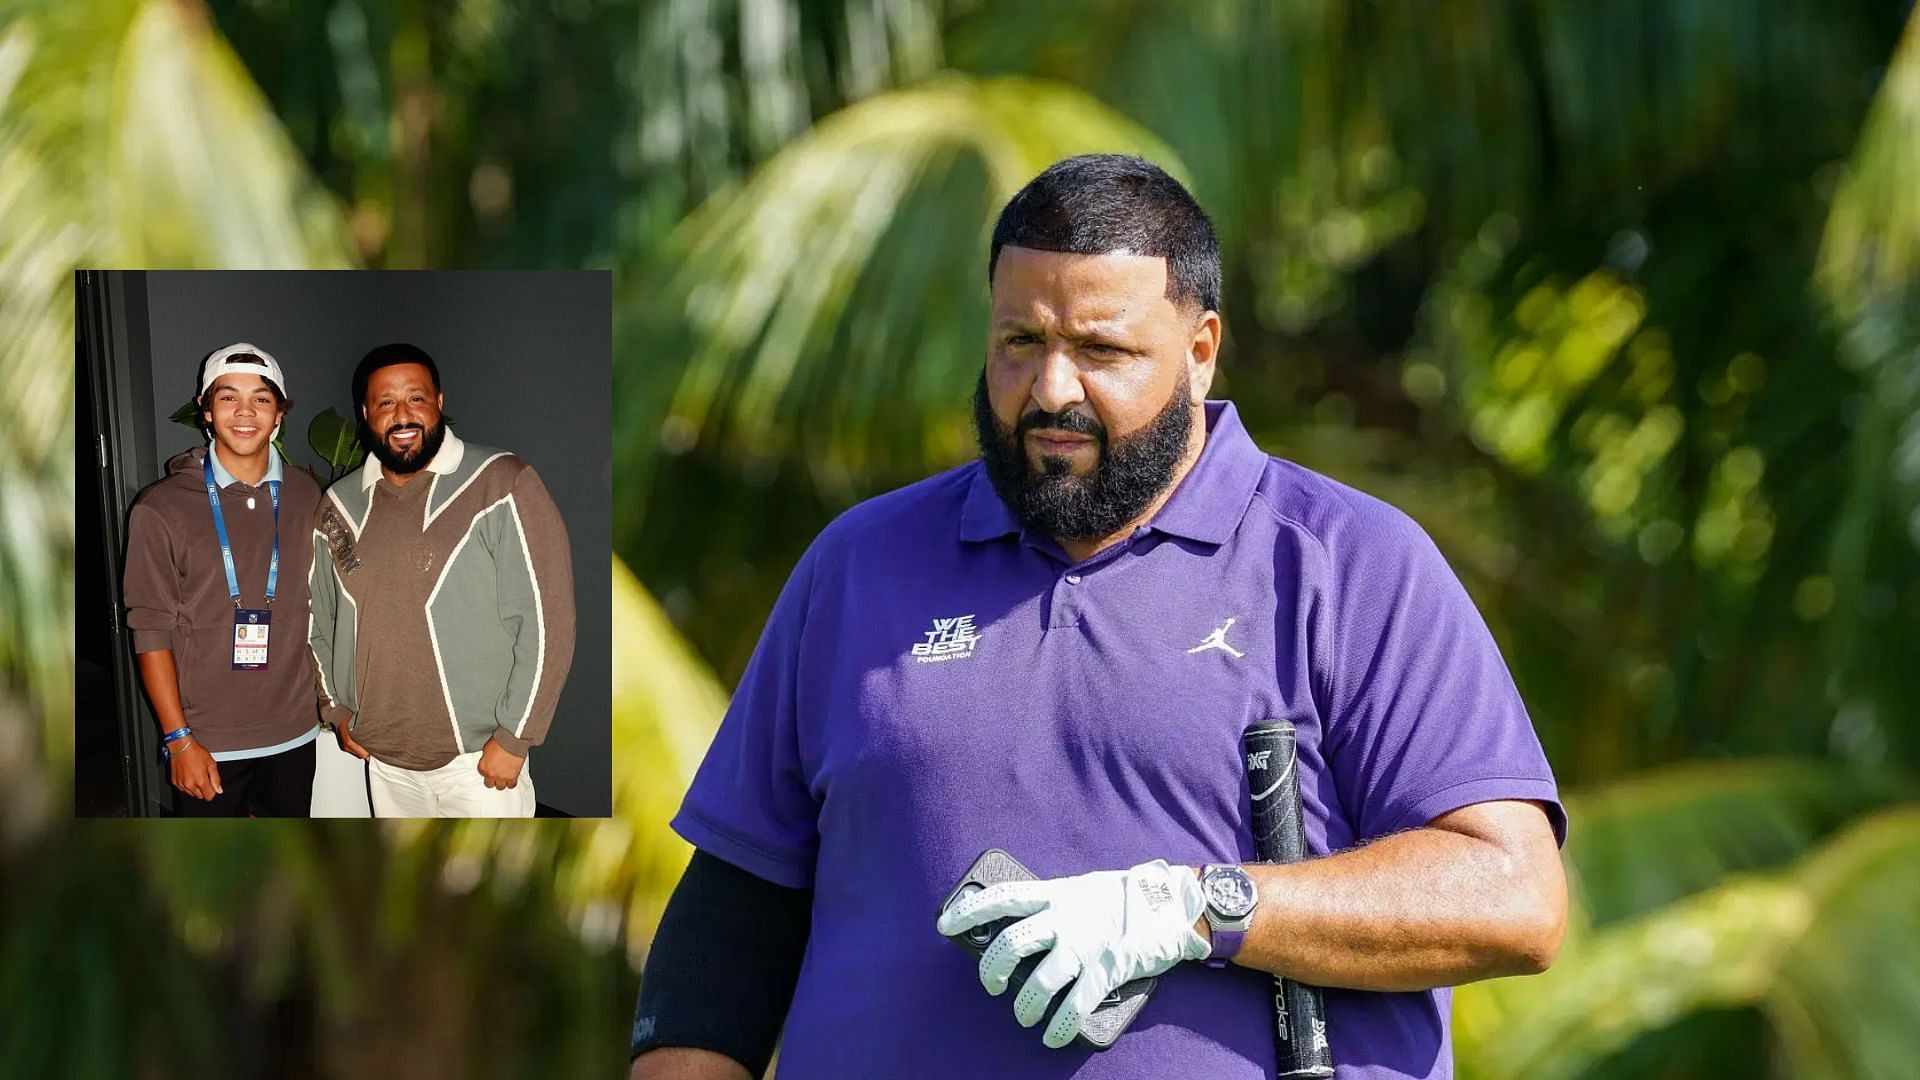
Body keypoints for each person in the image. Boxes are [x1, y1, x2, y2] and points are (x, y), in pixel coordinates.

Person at [630, 155, 1569, 1080]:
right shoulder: (859, 565)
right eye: (1020, 343)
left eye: (1102, 350)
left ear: (1200, 351)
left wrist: (1194, 909)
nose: (1052, 392)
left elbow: (1513, 896)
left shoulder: (1346, 562)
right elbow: (729, 927)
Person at [306, 342, 576, 818]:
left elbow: (546, 618)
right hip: (383, 762)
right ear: (367, 412)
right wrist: (336, 710)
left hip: (478, 766)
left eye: (416, 398)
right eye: (386, 402)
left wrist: (515, 739)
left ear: (440, 403)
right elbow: (317, 618)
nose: (402, 413)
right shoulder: (338, 506)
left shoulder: (500, 481)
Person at [124, 343, 324, 817]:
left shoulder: (305, 492)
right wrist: (178, 740)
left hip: (295, 728)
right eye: (228, 397)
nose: (245, 412)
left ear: (278, 414)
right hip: (206, 740)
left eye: (261, 398)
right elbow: (149, 631)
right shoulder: (160, 508)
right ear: (206, 411)